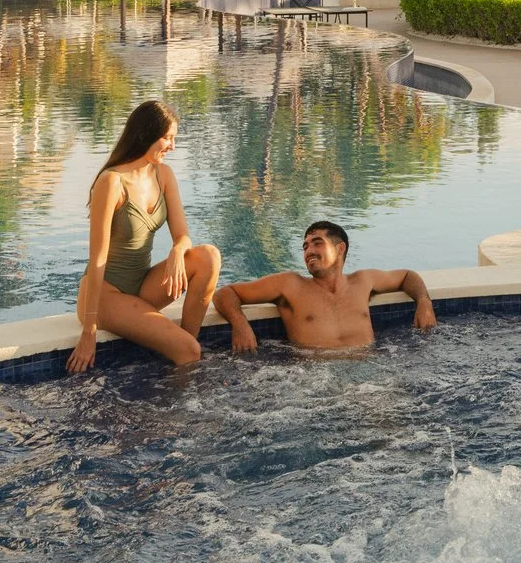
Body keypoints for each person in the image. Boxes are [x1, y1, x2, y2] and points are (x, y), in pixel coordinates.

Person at [68, 100, 220, 372]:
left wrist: (176, 251)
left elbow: (183, 234)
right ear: (146, 135)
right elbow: (98, 259)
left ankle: (184, 345)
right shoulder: (112, 182)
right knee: (190, 352)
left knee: (208, 257)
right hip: (106, 295)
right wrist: (89, 331)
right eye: (167, 138)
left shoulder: (163, 175)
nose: (172, 146)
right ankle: (185, 355)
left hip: (142, 285)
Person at [213, 221, 436, 353]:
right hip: (315, 380)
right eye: (305, 246)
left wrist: (424, 302)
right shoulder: (290, 285)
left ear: (340, 249)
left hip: (368, 374)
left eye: (317, 243)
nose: (309, 251)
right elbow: (225, 293)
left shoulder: (363, 281)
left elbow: (408, 276)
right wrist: (240, 324)